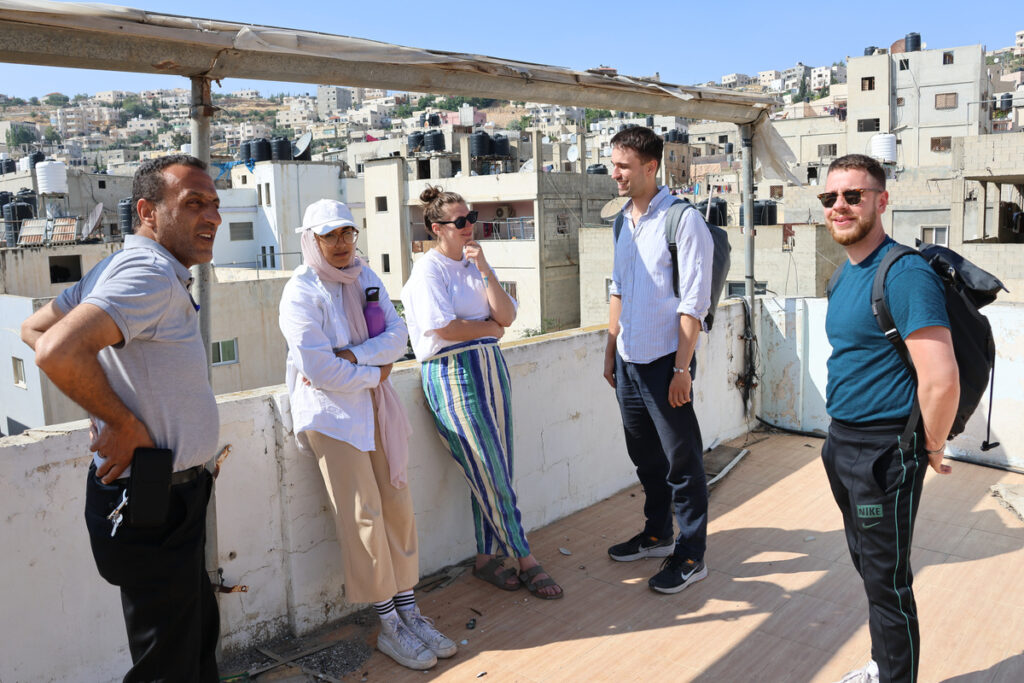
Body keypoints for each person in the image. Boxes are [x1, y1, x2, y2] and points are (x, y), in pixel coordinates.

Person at [20, 155, 222, 681]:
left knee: (191, 643)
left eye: (216, 205)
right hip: (154, 498)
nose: (213, 218)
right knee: (168, 666)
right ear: (147, 212)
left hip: (167, 496)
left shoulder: (120, 266)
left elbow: (34, 329)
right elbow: (53, 352)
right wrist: (119, 422)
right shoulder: (147, 273)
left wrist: (106, 409)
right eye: (193, 203)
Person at [278, 199, 456, 671]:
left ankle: (410, 610)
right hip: (332, 418)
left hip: (375, 409)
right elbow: (317, 368)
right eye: (329, 236)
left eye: (346, 233)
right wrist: (373, 372)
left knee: (397, 507)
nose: (340, 244)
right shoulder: (300, 293)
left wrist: (356, 360)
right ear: (311, 241)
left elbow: (399, 337)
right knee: (363, 516)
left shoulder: (365, 277)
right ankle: (389, 624)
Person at [820, 154, 958, 683]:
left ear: (881, 200)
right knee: (868, 567)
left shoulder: (903, 273)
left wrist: (933, 444)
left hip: (883, 455)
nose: (840, 206)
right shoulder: (844, 274)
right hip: (842, 445)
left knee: (888, 581)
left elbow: (941, 377)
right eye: (830, 198)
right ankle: (884, 667)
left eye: (853, 196)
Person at [401, 186, 562, 600]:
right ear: (437, 228)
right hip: (452, 371)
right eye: (460, 222)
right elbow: (443, 328)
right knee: (487, 469)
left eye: (471, 218)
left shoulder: (474, 265)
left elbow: (507, 314)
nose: (469, 226)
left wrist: (486, 267)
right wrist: (490, 330)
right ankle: (526, 558)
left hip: (491, 369)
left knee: (497, 468)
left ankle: (486, 558)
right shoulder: (428, 271)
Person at [602, 126, 715, 595]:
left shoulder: (682, 221)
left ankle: (691, 553)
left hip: (666, 361)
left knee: (682, 461)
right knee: (644, 457)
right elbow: (617, 289)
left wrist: (682, 370)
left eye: (624, 166)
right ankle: (657, 533)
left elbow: (694, 302)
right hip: (629, 360)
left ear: (651, 167)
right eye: (613, 164)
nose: (615, 174)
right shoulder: (622, 221)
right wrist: (610, 352)